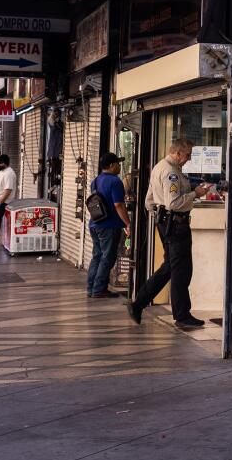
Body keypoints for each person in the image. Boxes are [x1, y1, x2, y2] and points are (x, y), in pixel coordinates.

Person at [130, 138, 209, 329]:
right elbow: (173, 202)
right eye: (187, 155)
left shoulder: (159, 167)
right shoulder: (171, 173)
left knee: (170, 268)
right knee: (182, 270)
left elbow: (149, 200)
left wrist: (160, 216)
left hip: (167, 224)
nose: (189, 159)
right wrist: (195, 194)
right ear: (177, 153)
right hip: (176, 226)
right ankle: (181, 315)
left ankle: (138, 303)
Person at [85, 153, 129, 300]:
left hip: (95, 223)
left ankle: (91, 288)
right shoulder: (115, 182)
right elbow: (118, 205)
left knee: (97, 256)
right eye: (117, 163)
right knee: (107, 257)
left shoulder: (95, 181)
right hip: (109, 225)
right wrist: (128, 223)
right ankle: (99, 289)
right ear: (111, 166)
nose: (119, 166)